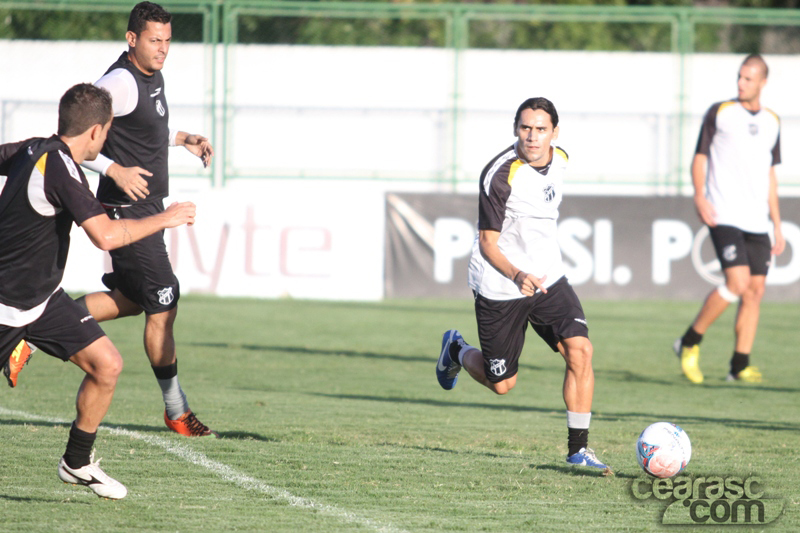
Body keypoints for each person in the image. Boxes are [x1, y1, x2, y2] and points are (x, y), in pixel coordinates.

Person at [0, 83, 196, 498]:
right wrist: (166, 218)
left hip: (42, 301)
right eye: (107, 132)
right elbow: (106, 236)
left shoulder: (34, 149)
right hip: (6, 306)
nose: (106, 141)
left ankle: (77, 462)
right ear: (95, 131)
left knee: (106, 364)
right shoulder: (62, 170)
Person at [436, 97, 611, 473]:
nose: (532, 137)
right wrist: (516, 275)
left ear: (554, 133)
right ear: (516, 129)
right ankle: (456, 349)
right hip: (502, 283)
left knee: (580, 351)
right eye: (525, 128)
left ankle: (578, 450)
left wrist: (533, 273)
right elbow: (487, 243)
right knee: (502, 384)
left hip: (548, 277)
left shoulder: (560, 159)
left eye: (541, 129)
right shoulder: (499, 175)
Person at [77, 1, 216, 436]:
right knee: (164, 300)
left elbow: (143, 128)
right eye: (155, 40)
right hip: (127, 209)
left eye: (168, 40)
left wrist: (183, 139)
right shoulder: (119, 80)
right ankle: (176, 410)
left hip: (143, 207)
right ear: (132, 39)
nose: (163, 49)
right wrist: (113, 169)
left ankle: (36, 324)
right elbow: (76, 135)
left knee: (137, 299)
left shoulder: (150, 77)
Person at [673, 54, 784, 384]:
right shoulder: (720, 112)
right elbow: (700, 157)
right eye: (739, 76)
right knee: (737, 283)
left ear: (763, 82)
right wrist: (698, 194)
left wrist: (777, 223)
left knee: (755, 290)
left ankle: (739, 365)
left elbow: (770, 176)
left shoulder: (773, 121)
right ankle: (690, 341)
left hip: (757, 219)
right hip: (723, 213)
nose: (741, 83)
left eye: (748, 78)